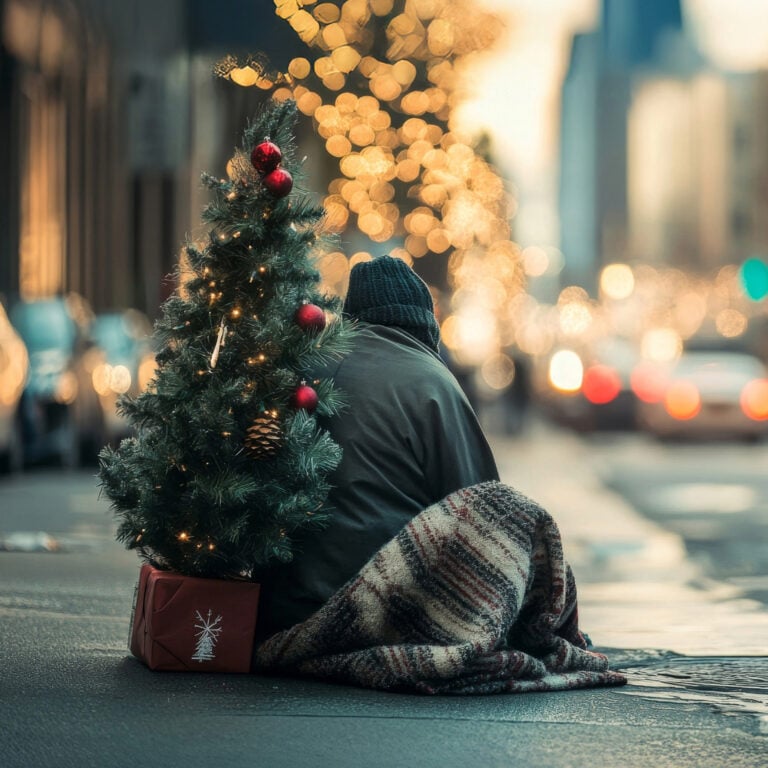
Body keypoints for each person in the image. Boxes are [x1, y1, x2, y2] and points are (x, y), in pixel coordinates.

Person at [254, 255, 499, 641]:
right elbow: (482, 507)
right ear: (424, 321)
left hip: (286, 608)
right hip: (389, 612)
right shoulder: (434, 383)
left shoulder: (306, 368)